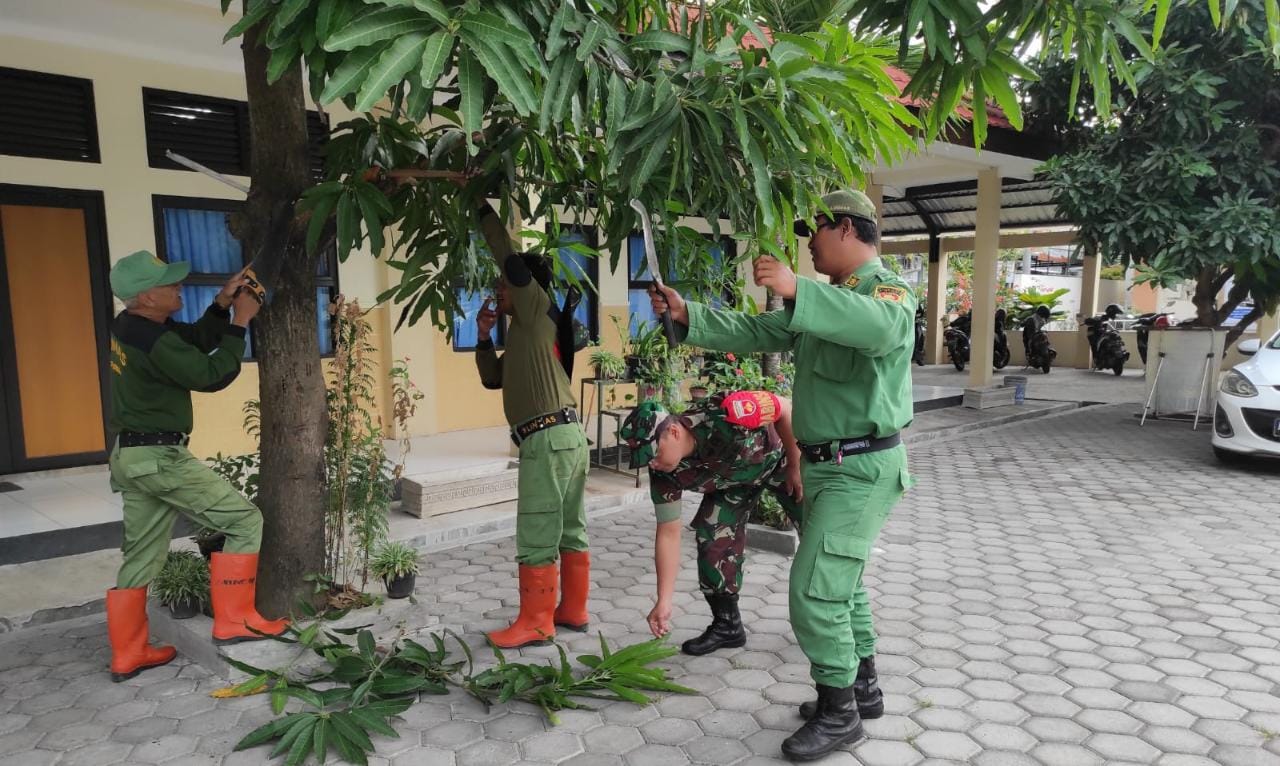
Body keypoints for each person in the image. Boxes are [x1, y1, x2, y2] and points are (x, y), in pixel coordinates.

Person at [648, 190, 915, 761]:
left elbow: (885, 329)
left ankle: (840, 714)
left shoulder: (885, 291)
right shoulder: (828, 300)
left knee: (814, 590)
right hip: (827, 466)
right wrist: (687, 315)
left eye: (814, 231)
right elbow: (756, 331)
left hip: (861, 465)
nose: (809, 243)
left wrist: (801, 289)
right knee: (842, 585)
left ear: (845, 228)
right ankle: (861, 690)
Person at [104, 250, 287, 682]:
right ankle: (236, 621)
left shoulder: (132, 327)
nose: (178, 287)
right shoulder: (150, 337)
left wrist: (222, 304)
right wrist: (242, 320)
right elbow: (210, 374)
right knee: (243, 521)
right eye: (169, 284)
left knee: (142, 555)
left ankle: (128, 653)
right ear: (146, 298)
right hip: (159, 457)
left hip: (131, 456)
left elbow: (191, 340)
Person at [470, 199, 591, 649]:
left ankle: (537, 621)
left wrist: (480, 207)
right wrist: (483, 336)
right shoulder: (526, 332)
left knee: (538, 526)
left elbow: (506, 252)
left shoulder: (536, 309)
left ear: (525, 287)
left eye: (504, 283)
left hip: (547, 438)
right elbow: (492, 379)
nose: (498, 288)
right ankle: (573, 610)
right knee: (570, 526)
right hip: (566, 436)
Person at [618, 392, 802, 656]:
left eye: (654, 453)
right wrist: (664, 601)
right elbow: (668, 533)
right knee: (711, 531)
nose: (653, 463)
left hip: (781, 462)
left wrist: (796, 464)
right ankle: (728, 626)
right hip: (735, 484)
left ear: (673, 431)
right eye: (646, 459)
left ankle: (837, 618)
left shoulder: (724, 413)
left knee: (820, 536)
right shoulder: (664, 471)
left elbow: (784, 407)